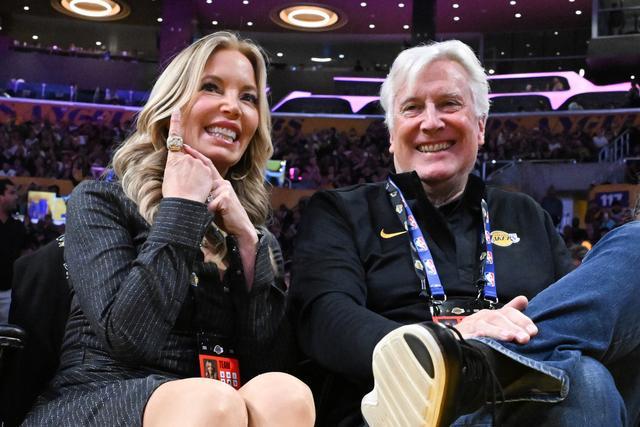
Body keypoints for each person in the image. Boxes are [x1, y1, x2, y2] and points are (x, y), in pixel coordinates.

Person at [289, 39, 636, 426]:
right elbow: (324, 319)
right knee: (587, 381)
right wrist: (434, 344)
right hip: (404, 412)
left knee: (633, 250)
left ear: (481, 126)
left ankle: (476, 362)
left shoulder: (527, 215)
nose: (431, 122)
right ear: (391, 133)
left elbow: (586, 323)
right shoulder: (341, 211)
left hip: (522, 408)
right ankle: (453, 361)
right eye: (412, 108)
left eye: (449, 104)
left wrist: (468, 348)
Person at [23, 32, 314, 427]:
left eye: (248, 97)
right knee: (211, 403)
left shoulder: (254, 238)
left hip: (214, 403)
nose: (233, 106)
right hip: (99, 395)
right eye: (211, 87)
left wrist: (248, 244)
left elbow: (268, 365)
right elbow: (129, 339)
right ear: (171, 105)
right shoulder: (102, 202)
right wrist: (182, 208)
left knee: (286, 394)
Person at [0, 178, 27, 323]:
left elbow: (25, 254)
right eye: (11, 193)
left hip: (9, 291)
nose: (16, 197)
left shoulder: (18, 226)